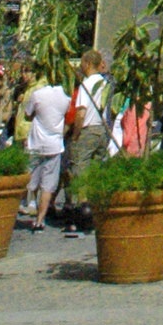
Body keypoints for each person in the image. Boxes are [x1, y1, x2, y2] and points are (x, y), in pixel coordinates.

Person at [20, 72, 72, 233]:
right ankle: (40, 220)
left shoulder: (38, 95)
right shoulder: (66, 98)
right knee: (48, 185)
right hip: (54, 145)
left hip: (36, 142)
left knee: (29, 177)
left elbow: (28, 114)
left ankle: (30, 203)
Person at [64, 51, 114, 212]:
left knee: (79, 169)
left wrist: (76, 134)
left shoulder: (87, 84)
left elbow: (81, 112)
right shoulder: (105, 83)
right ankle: (95, 204)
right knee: (95, 168)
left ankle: (81, 206)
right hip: (102, 130)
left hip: (88, 129)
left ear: (86, 64)